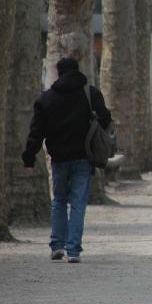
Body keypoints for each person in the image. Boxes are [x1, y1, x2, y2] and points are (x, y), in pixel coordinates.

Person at [21, 57, 113, 263]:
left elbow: (36, 132)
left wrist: (29, 158)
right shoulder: (90, 94)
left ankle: (57, 245)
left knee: (59, 201)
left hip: (58, 158)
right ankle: (73, 250)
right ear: (77, 71)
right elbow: (106, 118)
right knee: (78, 203)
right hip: (83, 157)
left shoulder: (46, 99)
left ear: (58, 73)